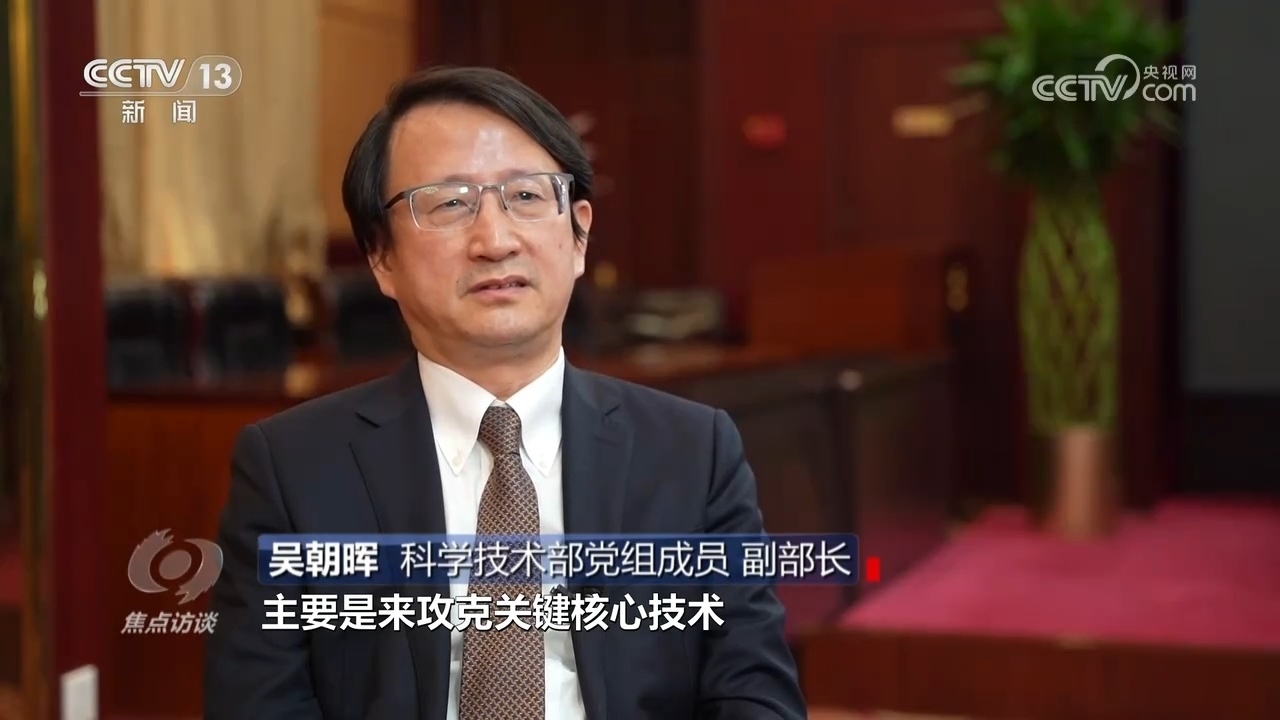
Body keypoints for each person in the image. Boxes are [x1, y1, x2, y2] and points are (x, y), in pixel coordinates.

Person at [203, 65, 806, 720]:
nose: (494, 241)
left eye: (524, 196)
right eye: (448, 204)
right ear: (381, 257)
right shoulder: (293, 467)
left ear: (578, 235)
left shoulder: (693, 450)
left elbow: (754, 693)